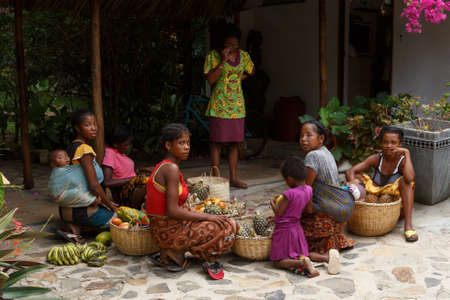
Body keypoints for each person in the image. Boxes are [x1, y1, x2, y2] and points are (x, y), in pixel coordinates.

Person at [147, 123, 237, 277]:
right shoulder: (171, 169)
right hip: (167, 231)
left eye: (188, 143)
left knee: (219, 220)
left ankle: (175, 252)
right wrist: (208, 216)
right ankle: (189, 253)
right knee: (228, 226)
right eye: (181, 143)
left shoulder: (167, 166)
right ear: (168, 145)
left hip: (164, 227)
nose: (187, 147)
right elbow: (172, 210)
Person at [204, 25, 255, 189]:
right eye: (228, 44)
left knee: (235, 143)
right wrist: (223, 61)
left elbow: (252, 71)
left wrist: (239, 78)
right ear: (222, 43)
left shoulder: (244, 56)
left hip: (237, 106)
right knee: (216, 143)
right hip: (219, 105)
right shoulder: (213, 56)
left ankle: (233, 178)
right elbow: (211, 80)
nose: (232, 47)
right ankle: (216, 179)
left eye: (235, 44)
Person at [346, 126, 417, 242]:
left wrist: (407, 153)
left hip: (394, 202)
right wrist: (354, 183)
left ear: (400, 144)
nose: (389, 146)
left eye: (393, 143)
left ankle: (408, 226)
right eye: (385, 142)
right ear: (381, 143)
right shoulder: (376, 158)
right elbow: (351, 171)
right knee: (357, 177)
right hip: (374, 197)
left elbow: (410, 178)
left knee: (407, 183)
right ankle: (359, 215)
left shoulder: (402, 160)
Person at [58, 109, 118, 243]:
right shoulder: (84, 150)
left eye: (95, 124)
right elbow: (94, 185)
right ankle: (80, 226)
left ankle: (75, 228)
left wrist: (103, 201)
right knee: (122, 221)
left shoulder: (71, 147)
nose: (93, 128)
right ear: (77, 128)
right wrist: (111, 206)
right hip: (81, 211)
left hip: (67, 210)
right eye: (88, 124)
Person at [299, 120, 354, 262]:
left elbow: (307, 189)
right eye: (301, 135)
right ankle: (335, 239)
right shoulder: (326, 152)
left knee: (288, 223)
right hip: (339, 211)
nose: (303, 139)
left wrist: (302, 210)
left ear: (321, 138)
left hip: (328, 213)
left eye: (308, 135)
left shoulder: (312, 156)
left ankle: (322, 250)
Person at [269, 156, 320, 277]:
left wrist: (272, 202)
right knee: (300, 252)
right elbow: (309, 209)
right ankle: (324, 258)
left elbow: (279, 213)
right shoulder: (309, 189)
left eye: (285, 180)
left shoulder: (289, 194)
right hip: (297, 228)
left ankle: (301, 262)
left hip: (284, 231)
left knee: (278, 261)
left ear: (290, 179)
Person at [102, 125, 153, 208]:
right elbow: (107, 182)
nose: (128, 147)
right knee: (149, 181)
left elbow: (125, 172)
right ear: (115, 144)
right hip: (123, 196)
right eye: (126, 144)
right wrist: (133, 179)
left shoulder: (120, 154)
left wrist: (141, 170)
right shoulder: (110, 153)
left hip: (133, 188)